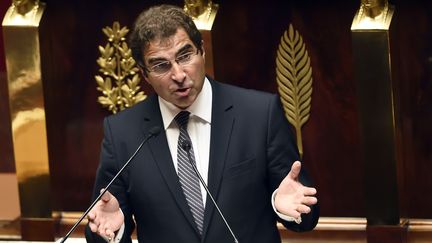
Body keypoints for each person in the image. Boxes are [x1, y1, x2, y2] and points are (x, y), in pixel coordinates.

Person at [86, 4, 319, 243]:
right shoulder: (122, 133)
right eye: (161, 65)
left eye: (185, 56)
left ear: (202, 51)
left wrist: (286, 207)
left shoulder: (260, 114)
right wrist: (112, 231)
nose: (178, 75)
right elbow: (103, 222)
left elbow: (306, 214)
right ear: (144, 74)